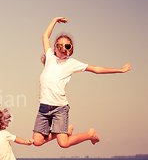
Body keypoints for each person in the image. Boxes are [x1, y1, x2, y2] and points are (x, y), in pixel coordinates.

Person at [33, 17, 131, 148]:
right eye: (59, 45)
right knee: (37, 142)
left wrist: (119, 70)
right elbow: (45, 36)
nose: (62, 48)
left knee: (64, 143)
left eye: (66, 46)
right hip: (43, 108)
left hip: (59, 108)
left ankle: (90, 135)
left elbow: (95, 69)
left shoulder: (72, 63)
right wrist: (54, 20)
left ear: (70, 49)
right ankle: (63, 131)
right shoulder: (50, 56)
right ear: (55, 47)